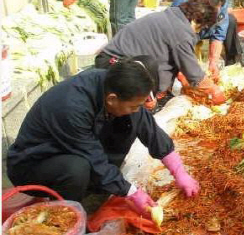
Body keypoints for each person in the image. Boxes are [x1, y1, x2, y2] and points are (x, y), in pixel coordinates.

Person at [7, 59, 199, 217]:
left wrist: (179, 172)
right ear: (112, 99)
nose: (137, 109)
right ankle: (65, 215)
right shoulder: (72, 108)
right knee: (77, 169)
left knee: (133, 117)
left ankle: (99, 185)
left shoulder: (114, 84)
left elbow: (149, 128)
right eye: (134, 105)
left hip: (72, 148)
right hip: (34, 164)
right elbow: (93, 157)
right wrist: (133, 193)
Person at [96, 0, 226, 106]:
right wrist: (215, 91)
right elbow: (195, 75)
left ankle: (155, 96)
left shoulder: (174, 13)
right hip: (115, 65)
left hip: (117, 60)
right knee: (147, 107)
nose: (199, 32)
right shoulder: (182, 32)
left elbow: (175, 60)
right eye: (201, 28)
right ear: (197, 21)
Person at [172, 0, 242, 82]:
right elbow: (177, 40)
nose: (217, 12)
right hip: (187, 34)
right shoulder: (181, 3)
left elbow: (219, 35)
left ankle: (231, 60)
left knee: (230, 20)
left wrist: (213, 62)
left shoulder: (221, 3)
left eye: (219, 8)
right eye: (213, 10)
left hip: (207, 30)